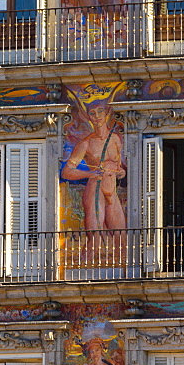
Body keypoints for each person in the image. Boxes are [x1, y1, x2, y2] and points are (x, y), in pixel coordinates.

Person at [61, 103, 126, 258]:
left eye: (100, 111)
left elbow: (118, 165)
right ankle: (86, 267)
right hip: (95, 188)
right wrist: (90, 173)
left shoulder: (115, 139)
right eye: (92, 113)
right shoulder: (86, 143)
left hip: (111, 188)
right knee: (95, 236)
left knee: (121, 235)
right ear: (87, 117)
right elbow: (67, 171)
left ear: (107, 114)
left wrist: (120, 171)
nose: (97, 116)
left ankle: (123, 270)